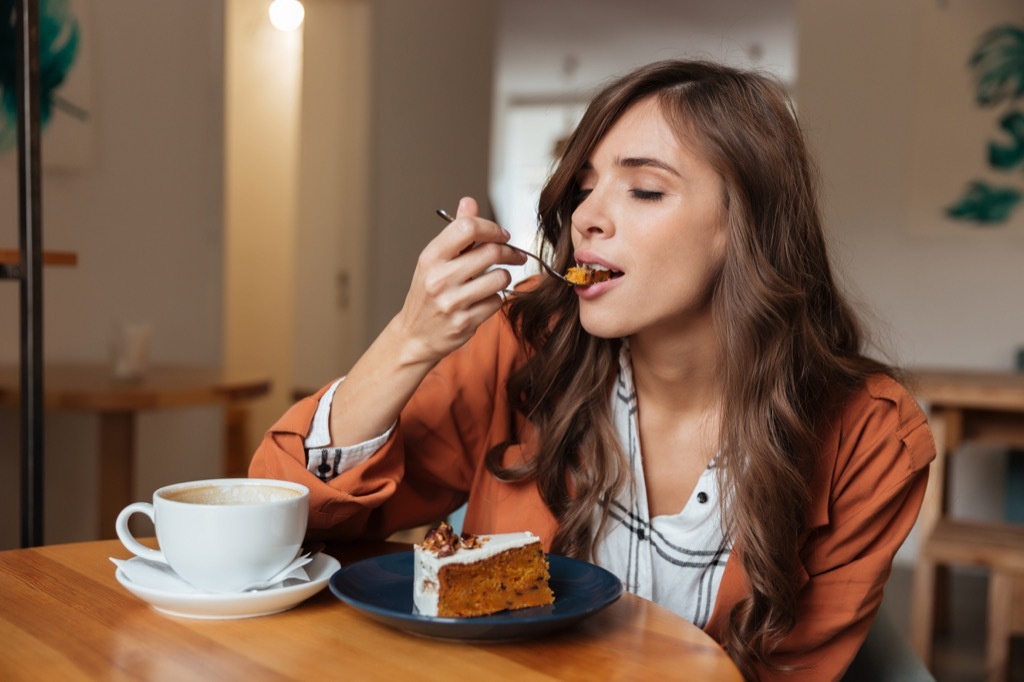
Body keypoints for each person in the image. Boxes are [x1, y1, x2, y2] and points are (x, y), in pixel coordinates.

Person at [250, 59, 934, 680]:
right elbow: (283, 530)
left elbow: (788, 672)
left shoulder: (871, 437)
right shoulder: (525, 342)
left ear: (748, 224)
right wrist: (408, 341)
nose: (585, 217)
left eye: (645, 190)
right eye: (582, 187)